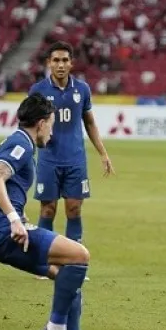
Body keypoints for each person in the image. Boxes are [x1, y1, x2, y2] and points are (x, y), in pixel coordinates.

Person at [0, 93, 103, 330]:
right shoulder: (20, 144)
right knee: (80, 255)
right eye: (52, 124)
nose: (52, 132)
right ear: (42, 123)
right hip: (0, 230)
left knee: (69, 276)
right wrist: (14, 219)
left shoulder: (18, 143)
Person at [28, 41, 114, 244]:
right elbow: (30, 125)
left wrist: (103, 153)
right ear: (49, 63)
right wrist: (35, 144)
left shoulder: (82, 89)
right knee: (48, 209)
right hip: (48, 160)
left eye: (65, 60)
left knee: (74, 208)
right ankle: (44, 261)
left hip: (75, 160)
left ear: (71, 63)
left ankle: (74, 264)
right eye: (56, 60)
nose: (60, 65)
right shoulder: (38, 90)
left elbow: (90, 123)